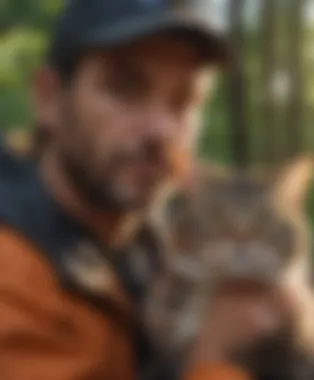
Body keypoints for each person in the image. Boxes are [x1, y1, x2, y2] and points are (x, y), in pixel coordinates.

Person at [0, 1, 293, 379]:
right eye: (124, 89)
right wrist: (221, 355)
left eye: (184, 102)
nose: (162, 131)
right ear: (49, 98)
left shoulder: (152, 238)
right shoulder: (13, 269)